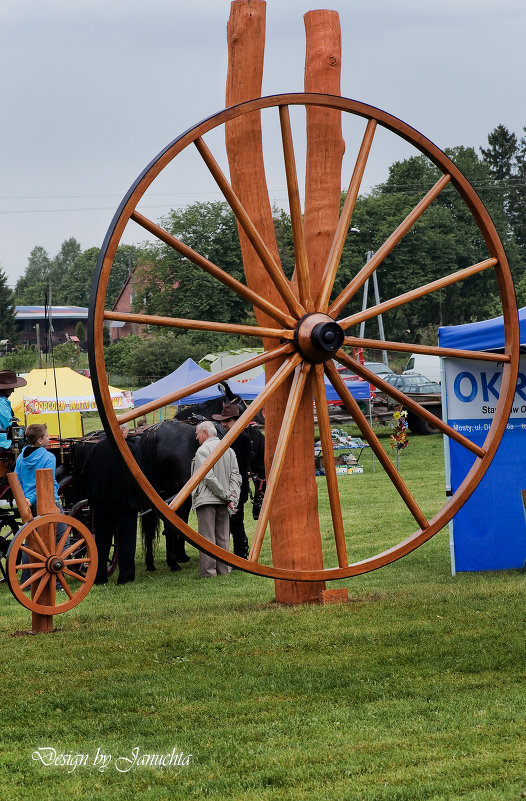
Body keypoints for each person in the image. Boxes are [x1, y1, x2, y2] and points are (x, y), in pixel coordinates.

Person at [80, 423, 142, 585]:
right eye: (127, 430)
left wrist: (94, 496)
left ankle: (99, 576)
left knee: (102, 541)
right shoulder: (130, 449)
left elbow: (84, 474)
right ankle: (125, 576)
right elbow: (139, 477)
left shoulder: (97, 449)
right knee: (127, 541)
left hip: (102, 504)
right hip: (126, 503)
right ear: (121, 430)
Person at [15, 422, 67, 588]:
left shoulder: (21, 457)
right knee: (61, 538)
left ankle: (27, 581)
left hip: (29, 504)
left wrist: (27, 500)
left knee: (31, 542)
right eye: (46, 436)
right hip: (49, 502)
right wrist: (33, 498)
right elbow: (47, 483)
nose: (48, 438)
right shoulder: (48, 457)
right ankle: (57, 580)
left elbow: (18, 481)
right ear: (39, 440)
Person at [191, 420, 241, 578]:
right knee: (222, 536)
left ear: (205, 433)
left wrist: (226, 495)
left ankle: (209, 573)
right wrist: (232, 496)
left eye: (197, 434)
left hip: (207, 500)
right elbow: (236, 477)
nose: (196, 437)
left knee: (207, 538)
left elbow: (208, 478)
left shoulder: (202, 451)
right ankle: (224, 570)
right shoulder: (229, 450)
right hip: (225, 500)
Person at [212, 403, 252, 560]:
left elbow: (239, 469)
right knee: (231, 523)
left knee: (236, 524)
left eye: (227, 421)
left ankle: (241, 554)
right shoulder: (231, 437)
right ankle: (236, 554)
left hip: (237, 487)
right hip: (231, 487)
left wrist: (232, 491)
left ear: (236, 421)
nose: (223, 424)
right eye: (222, 421)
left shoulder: (241, 438)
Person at [0, 370, 26, 450]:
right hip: (4, 442)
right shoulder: (1, 402)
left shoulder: (3, 401)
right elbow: (10, 424)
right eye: (11, 388)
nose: (13, 390)